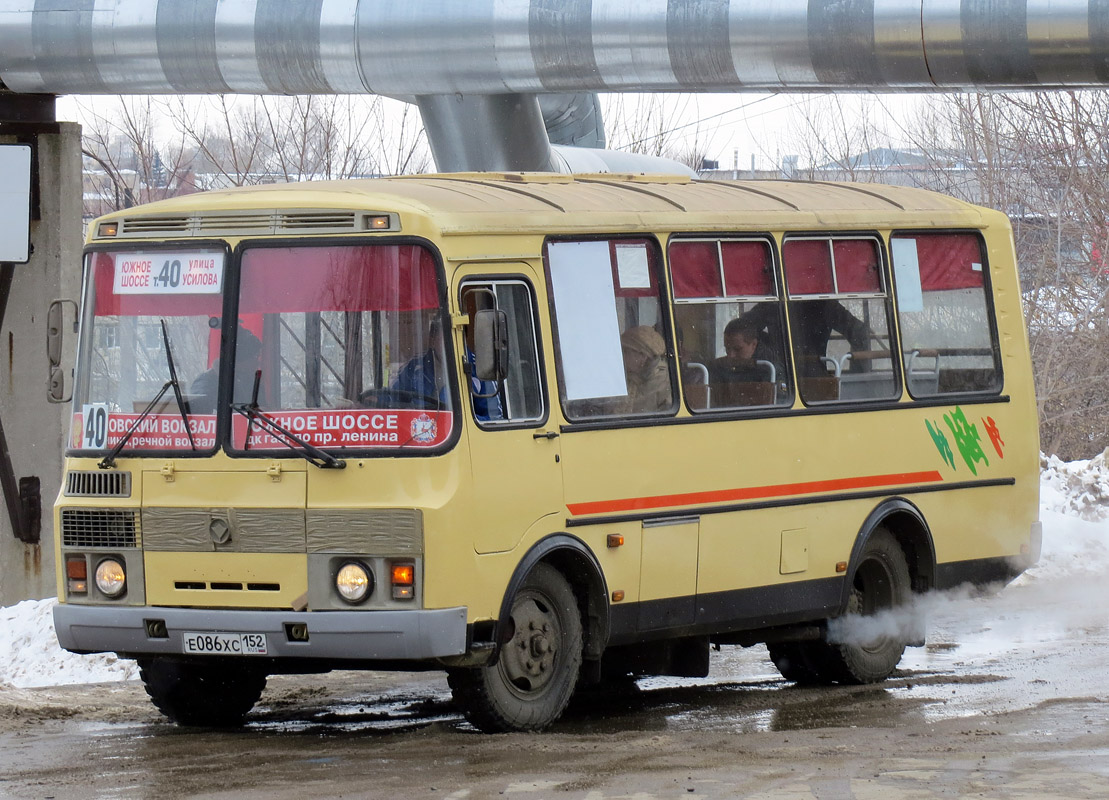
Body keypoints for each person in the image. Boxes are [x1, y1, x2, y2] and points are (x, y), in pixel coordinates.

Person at [189, 326, 263, 414]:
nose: (258, 363)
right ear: (240, 358)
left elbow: (263, 409)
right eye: (255, 357)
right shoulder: (206, 382)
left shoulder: (252, 382)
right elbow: (200, 412)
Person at [620, 326, 672, 413]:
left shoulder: (661, 379)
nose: (622, 357)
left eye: (626, 352)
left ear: (643, 356)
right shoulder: (627, 375)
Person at [708, 319, 769, 385]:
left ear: (753, 344)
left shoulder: (769, 369)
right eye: (727, 348)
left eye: (737, 349)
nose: (731, 355)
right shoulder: (717, 369)